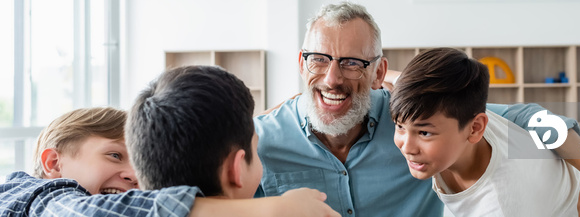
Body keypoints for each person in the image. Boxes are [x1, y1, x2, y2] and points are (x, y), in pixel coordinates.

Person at [255, 2, 580, 217]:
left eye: (353, 62)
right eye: (319, 59)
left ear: (378, 72)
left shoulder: (411, 116)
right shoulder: (259, 140)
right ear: (302, 63)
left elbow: (530, 117)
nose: (333, 77)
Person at [0, 67, 339, 217]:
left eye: (137, 160)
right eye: (115, 154)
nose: (132, 175)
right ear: (52, 162)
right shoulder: (26, 196)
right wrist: (272, 209)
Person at [391, 47, 580, 216]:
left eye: (424, 133)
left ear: (475, 129)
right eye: (400, 126)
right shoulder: (453, 110)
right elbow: (395, 78)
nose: (407, 148)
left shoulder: (499, 206)